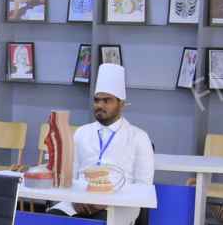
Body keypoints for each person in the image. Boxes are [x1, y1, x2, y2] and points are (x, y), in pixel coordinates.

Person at [48, 64, 155, 216]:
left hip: (120, 205)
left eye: (107, 101)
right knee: (52, 219)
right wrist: (75, 198)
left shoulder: (139, 137)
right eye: (97, 100)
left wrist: (103, 202)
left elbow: (143, 187)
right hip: (78, 201)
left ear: (122, 104)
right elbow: (70, 176)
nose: (99, 105)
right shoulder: (81, 133)